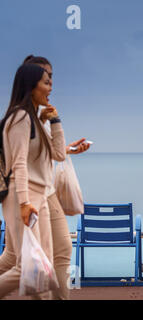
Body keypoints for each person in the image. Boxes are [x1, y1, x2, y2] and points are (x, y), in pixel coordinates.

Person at [0, 55, 91, 300]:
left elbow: (58, 153)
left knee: (43, 267)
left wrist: (55, 120)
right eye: (45, 80)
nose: (50, 87)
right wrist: (24, 203)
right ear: (30, 84)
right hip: (26, 194)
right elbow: (19, 163)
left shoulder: (36, 119)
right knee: (28, 268)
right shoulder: (20, 117)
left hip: (40, 193)